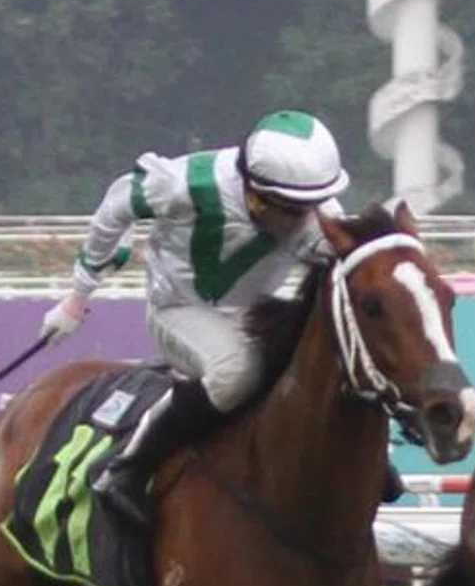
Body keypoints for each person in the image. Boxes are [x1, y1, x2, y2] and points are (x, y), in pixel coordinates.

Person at [39, 110, 364, 528]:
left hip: (253, 319)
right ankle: (127, 468)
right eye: (292, 209)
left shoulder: (314, 208)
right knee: (237, 373)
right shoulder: (184, 185)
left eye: (310, 206)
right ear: (254, 193)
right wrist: (77, 296)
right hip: (179, 309)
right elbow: (119, 202)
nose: (306, 220)